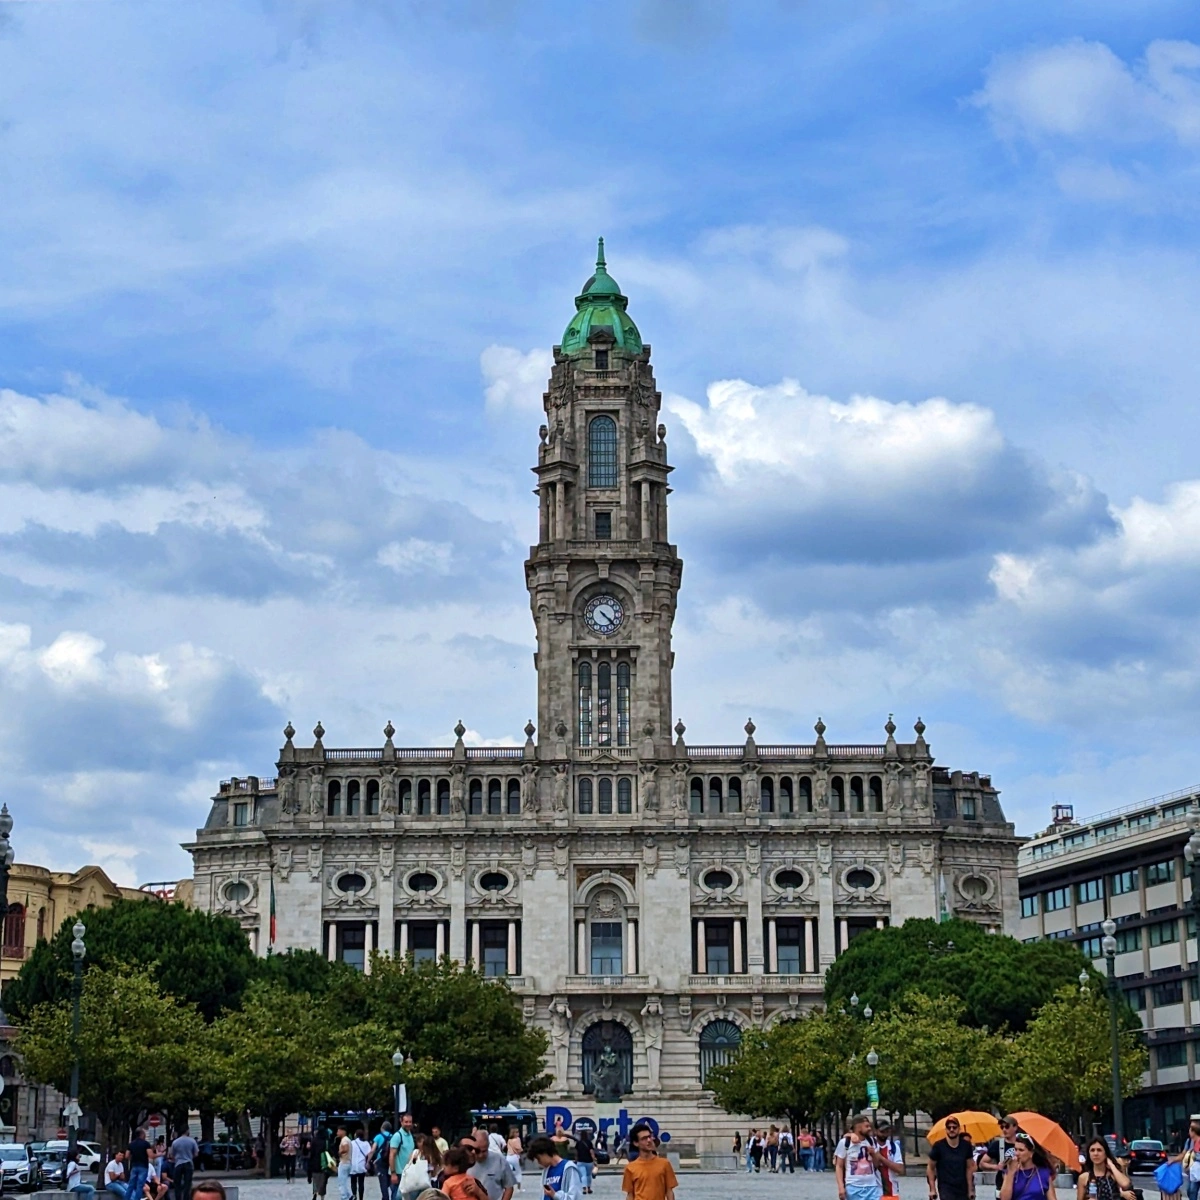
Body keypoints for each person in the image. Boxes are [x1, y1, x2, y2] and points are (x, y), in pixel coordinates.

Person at [836, 1113, 892, 1200]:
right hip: (853, 1186)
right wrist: (841, 1187)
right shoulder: (845, 1142)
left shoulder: (871, 1141)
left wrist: (873, 1154)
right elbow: (839, 1166)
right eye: (866, 1126)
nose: (869, 1129)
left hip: (872, 1186)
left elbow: (876, 1165)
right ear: (858, 1127)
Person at [621, 1124, 676, 1200]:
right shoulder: (630, 1168)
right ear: (636, 1143)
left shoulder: (665, 1164)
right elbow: (630, 1195)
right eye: (644, 1138)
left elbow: (669, 1191)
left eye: (649, 1137)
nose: (649, 1140)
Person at [999, 1133, 1057, 1200]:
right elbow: (1004, 1198)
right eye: (1015, 1149)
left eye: (1021, 1150)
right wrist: (1010, 1173)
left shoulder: (1043, 1173)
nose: (1016, 1153)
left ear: (1031, 1153)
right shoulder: (1010, 1171)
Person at [928, 1116, 974, 1200]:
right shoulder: (938, 1146)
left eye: (954, 1127)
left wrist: (970, 1189)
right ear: (946, 1130)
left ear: (959, 1129)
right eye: (949, 1127)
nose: (951, 1129)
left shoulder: (966, 1146)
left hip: (962, 1187)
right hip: (946, 1187)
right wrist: (932, 1189)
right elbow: (930, 1168)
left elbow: (969, 1168)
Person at [464, 1130, 516, 1200]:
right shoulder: (465, 1161)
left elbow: (509, 1187)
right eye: (478, 1151)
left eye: (484, 1151)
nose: (481, 1155)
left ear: (488, 1145)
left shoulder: (499, 1160)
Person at [980, 1118, 1023, 1191]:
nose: (1004, 1129)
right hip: (1002, 1186)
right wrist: (996, 1167)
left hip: (1021, 1184)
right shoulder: (997, 1145)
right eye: (1002, 1127)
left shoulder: (1023, 1143)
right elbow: (982, 1164)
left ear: (1015, 1127)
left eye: (1007, 1126)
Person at [401, 1135, 444, 1200]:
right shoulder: (437, 1156)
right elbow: (437, 1172)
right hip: (430, 1183)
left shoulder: (419, 1153)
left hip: (417, 1182)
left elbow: (409, 1165)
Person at [390, 1116, 417, 1200]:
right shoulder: (397, 1136)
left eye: (410, 1122)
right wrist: (393, 1173)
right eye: (406, 1122)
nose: (408, 1124)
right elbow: (392, 1155)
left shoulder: (410, 1135)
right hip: (398, 1173)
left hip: (408, 1172)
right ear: (401, 1122)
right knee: (396, 1197)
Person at [168, 1127, 199, 1200]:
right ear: (187, 1131)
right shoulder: (192, 1141)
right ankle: (186, 1198)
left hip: (178, 1164)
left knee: (177, 1184)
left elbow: (171, 1155)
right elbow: (196, 1154)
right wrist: (190, 1156)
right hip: (188, 1163)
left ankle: (178, 1198)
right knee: (187, 1184)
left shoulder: (175, 1142)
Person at [875, 1123, 904, 1198]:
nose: (885, 1134)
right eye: (882, 1131)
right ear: (875, 1131)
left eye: (887, 1131)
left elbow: (900, 1169)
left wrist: (881, 1158)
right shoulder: (870, 1145)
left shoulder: (893, 1147)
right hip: (874, 1192)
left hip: (891, 1191)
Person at [127, 1129, 152, 1200]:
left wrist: (132, 1159)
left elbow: (127, 1155)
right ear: (142, 1134)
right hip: (143, 1166)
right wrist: (159, 1154)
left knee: (131, 1185)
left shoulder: (131, 1144)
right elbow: (150, 1155)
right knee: (140, 1185)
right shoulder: (146, 1144)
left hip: (134, 1166)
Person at [370, 1124, 393, 1200]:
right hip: (391, 1160)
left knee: (383, 1181)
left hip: (381, 1160)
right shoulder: (393, 1136)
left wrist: (368, 1160)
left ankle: (385, 1197)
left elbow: (373, 1150)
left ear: (382, 1128)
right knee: (389, 1179)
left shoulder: (378, 1136)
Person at [352, 1129, 374, 1200]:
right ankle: (361, 1198)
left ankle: (354, 1196)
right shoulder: (366, 1143)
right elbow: (370, 1152)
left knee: (353, 1182)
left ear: (355, 1135)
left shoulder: (352, 1143)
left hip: (353, 1165)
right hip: (362, 1165)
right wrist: (367, 1161)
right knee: (361, 1183)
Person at [574, 1131, 596, 1196]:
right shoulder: (589, 1143)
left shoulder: (578, 1143)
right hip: (589, 1161)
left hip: (580, 1161)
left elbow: (576, 1153)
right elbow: (591, 1152)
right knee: (588, 1175)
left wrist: (576, 1160)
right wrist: (594, 1160)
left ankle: (584, 1189)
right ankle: (589, 1188)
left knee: (583, 1175)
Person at [335, 1125, 353, 1200]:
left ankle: (344, 1197)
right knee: (345, 1181)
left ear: (343, 1131)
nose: (337, 1133)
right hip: (348, 1162)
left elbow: (346, 1148)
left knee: (341, 1182)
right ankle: (350, 1195)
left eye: (339, 1131)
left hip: (344, 1162)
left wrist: (340, 1152)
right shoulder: (348, 1139)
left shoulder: (344, 1140)